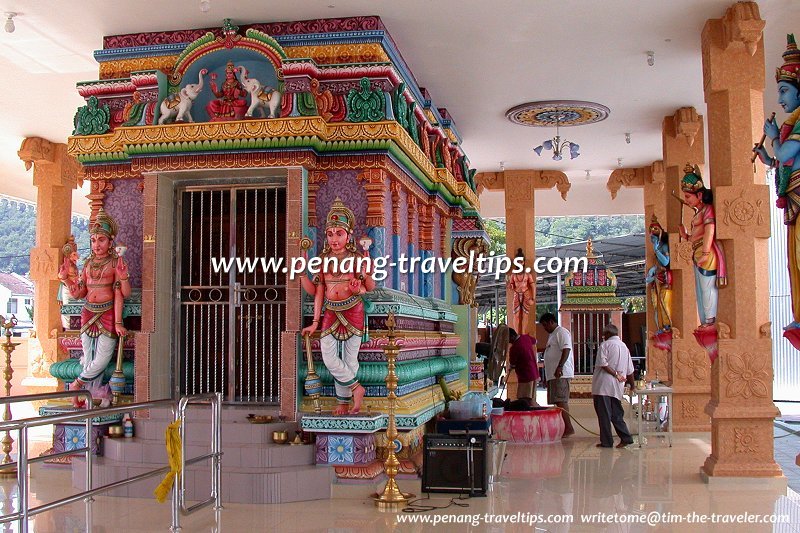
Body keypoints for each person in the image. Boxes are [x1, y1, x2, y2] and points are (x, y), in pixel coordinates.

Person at [301, 198, 374, 416]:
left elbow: (369, 286)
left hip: (353, 310)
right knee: (329, 357)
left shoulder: (357, 258)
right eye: (330, 234)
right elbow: (317, 292)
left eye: (339, 234)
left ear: (349, 235)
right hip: (331, 311)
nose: (334, 239)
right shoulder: (322, 260)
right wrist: (301, 273)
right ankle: (356, 388)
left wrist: (356, 288)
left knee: (350, 359)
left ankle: (343, 403)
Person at [58, 209, 130, 407]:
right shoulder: (88, 264)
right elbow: (79, 293)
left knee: (102, 359)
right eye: (93, 240)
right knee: (89, 358)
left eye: (101, 240)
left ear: (110, 242)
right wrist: (65, 279)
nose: (96, 245)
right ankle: (86, 395)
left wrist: (117, 322)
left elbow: (123, 292)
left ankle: (77, 385)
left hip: (107, 313)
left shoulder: (116, 263)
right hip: (88, 312)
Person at [754, 34, 800, 334]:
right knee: (793, 261)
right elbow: (784, 161)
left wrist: (772, 138)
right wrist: (768, 161)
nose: (780, 98)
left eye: (784, 90)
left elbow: (787, 153)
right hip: (794, 199)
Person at [678, 164, 726, 329]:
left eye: (688, 196)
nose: (686, 200)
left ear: (699, 194)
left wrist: (705, 252)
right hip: (697, 251)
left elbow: (710, 229)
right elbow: (697, 235)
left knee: (707, 288)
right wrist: (686, 236)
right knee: (700, 290)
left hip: (706, 253)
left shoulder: (707, 210)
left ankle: (710, 320)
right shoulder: (698, 212)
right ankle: (705, 320)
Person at [592, 324, 635, 448]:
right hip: (617, 386)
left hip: (603, 386)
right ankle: (626, 437)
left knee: (604, 415)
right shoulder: (624, 346)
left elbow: (603, 364)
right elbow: (630, 369)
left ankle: (607, 441)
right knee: (616, 413)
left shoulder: (605, 345)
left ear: (608, 334)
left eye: (604, 334)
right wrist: (632, 385)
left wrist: (615, 374)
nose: (603, 337)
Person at [540, 312, 575, 437]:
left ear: (551, 322)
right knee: (557, 401)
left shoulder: (561, 332)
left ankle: (569, 428)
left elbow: (566, 349)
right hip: (553, 375)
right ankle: (563, 427)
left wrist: (560, 366)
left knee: (561, 401)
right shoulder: (552, 335)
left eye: (545, 325)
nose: (544, 328)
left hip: (561, 374)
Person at [506, 248, 536, 335]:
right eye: (517, 262)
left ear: (523, 263)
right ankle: (516, 333)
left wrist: (533, 298)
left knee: (525, 315)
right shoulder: (513, 275)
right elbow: (511, 285)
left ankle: (523, 333)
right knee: (516, 314)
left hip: (526, 294)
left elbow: (533, 286)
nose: (519, 264)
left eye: (521, 262)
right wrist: (509, 286)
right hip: (516, 294)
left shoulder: (527, 275)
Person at [508, 328, 539, 406]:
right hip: (534, 373)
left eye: (507, 339)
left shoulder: (514, 348)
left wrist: (510, 368)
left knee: (525, 400)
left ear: (511, 336)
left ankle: (534, 412)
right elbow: (535, 341)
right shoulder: (526, 337)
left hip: (525, 375)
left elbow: (512, 364)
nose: (508, 341)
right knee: (531, 397)